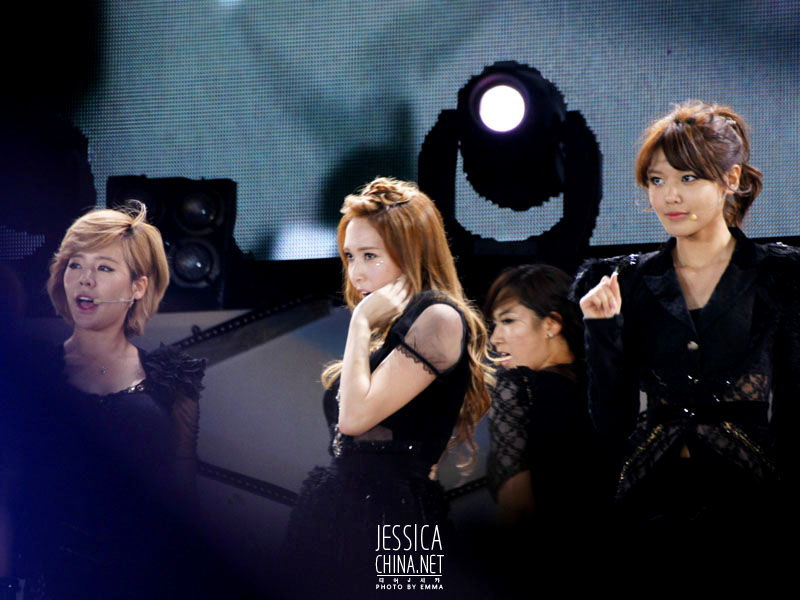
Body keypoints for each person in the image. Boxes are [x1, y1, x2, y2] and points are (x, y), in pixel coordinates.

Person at [573, 101, 800, 541]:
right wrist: (601, 330)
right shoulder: (626, 281)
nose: (669, 196)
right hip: (649, 500)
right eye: (657, 180)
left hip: (751, 500)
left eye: (688, 178)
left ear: (730, 179)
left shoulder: (779, 276)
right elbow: (612, 423)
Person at [282, 177, 493, 597]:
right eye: (350, 256)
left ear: (411, 252)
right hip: (350, 514)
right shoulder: (400, 327)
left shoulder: (438, 317)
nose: (356, 271)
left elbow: (354, 420)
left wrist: (360, 323)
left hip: (397, 518)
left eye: (370, 256)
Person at [2, 202, 207, 599]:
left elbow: (183, 488)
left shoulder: (172, 379)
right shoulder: (33, 372)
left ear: (138, 287)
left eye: (105, 268)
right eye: (75, 264)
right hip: (50, 578)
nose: (85, 279)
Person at [485, 264, 614, 530]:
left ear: (551, 324)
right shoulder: (606, 382)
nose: (495, 338)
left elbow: (517, 511)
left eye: (508, 321)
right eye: (494, 324)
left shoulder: (518, 390)